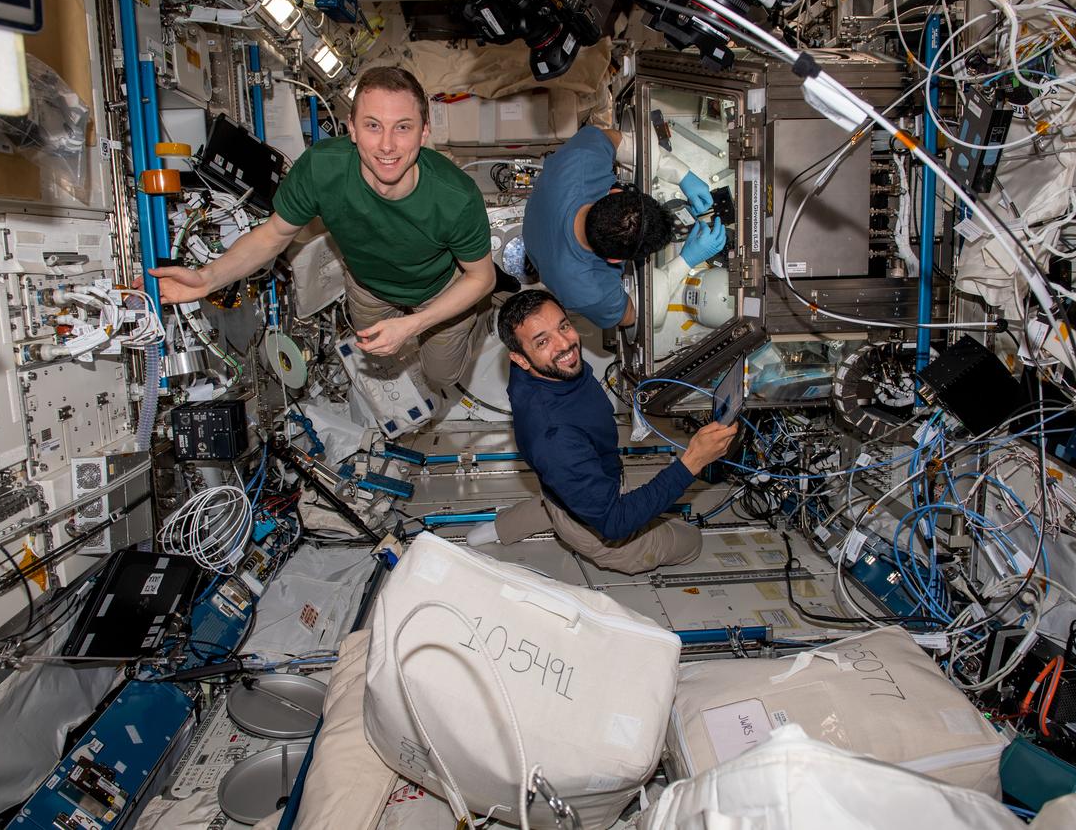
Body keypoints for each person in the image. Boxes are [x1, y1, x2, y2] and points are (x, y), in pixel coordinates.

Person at [147, 67, 495, 391]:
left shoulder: (456, 197)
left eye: (402, 127)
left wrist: (414, 325)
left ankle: (478, 315)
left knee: (442, 376)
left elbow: (482, 277)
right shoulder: (322, 168)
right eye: (373, 126)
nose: (387, 145)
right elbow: (273, 236)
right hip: (369, 285)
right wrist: (208, 278)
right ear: (352, 128)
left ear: (424, 130)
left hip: (437, 289)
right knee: (375, 354)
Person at [467, 289, 739, 574]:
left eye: (563, 326)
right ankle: (561, 526)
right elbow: (614, 522)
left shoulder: (530, 371)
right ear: (520, 358)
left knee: (562, 496)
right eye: (543, 341)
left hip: (561, 491)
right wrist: (693, 460)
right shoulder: (555, 439)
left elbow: (570, 475)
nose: (565, 345)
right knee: (691, 541)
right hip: (600, 534)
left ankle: (498, 528)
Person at [521, 125, 728, 330]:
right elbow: (630, 315)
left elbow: (611, 138)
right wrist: (685, 261)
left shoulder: (582, 161)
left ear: (615, 193)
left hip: (538, 220)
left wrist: (680, 174)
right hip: (540, 248)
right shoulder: (587, 290)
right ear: (614, 260)